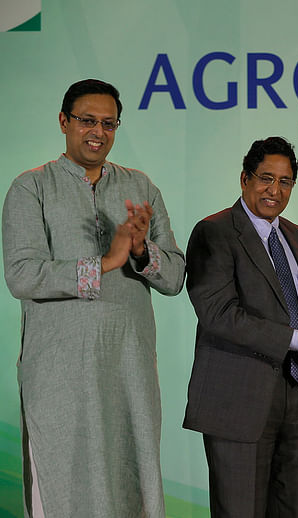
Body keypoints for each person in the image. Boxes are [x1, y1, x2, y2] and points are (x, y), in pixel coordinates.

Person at [2, 79, 186, 517]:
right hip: (59, 373)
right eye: (87, 120)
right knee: (64, 478)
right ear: (64, 122)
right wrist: (105, 262)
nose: (97, 132)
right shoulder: (32, 188)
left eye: (109, 123)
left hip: (128, 369)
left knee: (130, 477)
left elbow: (176, 276)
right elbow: (22, 276)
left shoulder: (140, 188)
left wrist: (141, 251)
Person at [183, 136, 298, 517]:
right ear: (245, 179)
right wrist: (297, 340)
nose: (274, 190)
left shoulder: (295, 235)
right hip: (240, 400)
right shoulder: (213, 231)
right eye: (266, 178)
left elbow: (289, 308)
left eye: (285, 182)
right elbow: (217, 312)